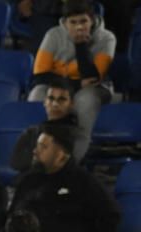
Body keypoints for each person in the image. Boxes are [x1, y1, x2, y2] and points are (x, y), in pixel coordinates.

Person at [9, 124, 119, 232]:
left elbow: (111, 215)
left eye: (43, 147)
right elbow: (12, 217)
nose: (35, 151)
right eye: (37, 145)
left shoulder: (84, 182)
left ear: (61, 154)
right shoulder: (28, 181)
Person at [27, 0, 115, 138]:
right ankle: (37, 143)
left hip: (95, 88)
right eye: (73, 22)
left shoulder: (107, 38)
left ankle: (75, 149)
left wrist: (81, 45)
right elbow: (39, 75)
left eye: (83, 21)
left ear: (91, 20)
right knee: (37, 93)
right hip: (61, 85)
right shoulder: (53, 35)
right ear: (65, 23)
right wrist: (75, 84)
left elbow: (92, 78)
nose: (79, 27)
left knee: (85, 99)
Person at [11, 79, 88, 173]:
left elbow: (67, 166)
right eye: (51, 99)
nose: (55, 104)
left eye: (62, 99)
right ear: (45, 102)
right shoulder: (32, 131)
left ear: (71, 104)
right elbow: (16, 162)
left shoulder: (78, 136)